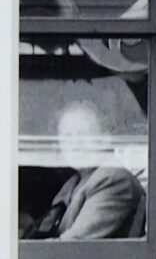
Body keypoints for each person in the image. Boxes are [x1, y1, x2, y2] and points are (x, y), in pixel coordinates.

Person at [21, 100, 145, 240]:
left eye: (83, 134)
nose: (75, 144)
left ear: (105, 139)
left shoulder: (112, 178)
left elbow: (73, 245)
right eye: (67, 136)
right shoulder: (74, 182)